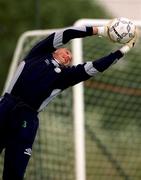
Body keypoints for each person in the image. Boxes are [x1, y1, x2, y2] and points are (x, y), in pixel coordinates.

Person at [0, 21, 137, 179]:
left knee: (14, 174)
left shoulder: (65, 77)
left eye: (71, 57)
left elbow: (95, 67)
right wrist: (101, 30)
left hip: (27, 120)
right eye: (66, 52)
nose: (69, 56)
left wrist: (123, 50)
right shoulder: (38, 53)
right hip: (5, 107)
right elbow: (67, 34)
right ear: (56, 50)